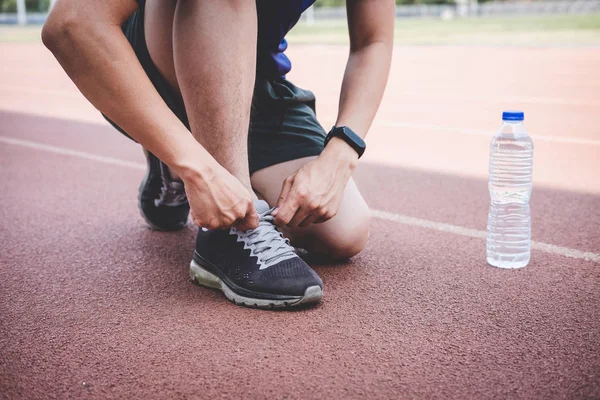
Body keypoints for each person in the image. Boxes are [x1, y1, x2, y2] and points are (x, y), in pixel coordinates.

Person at [41, 0, 394, 309]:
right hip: (152, 62)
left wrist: (340, 154)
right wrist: (198, 169)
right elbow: (71, 24)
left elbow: (372, 41)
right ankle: (227, 227)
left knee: (341, 231)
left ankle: (189, 160)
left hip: (255, 78)